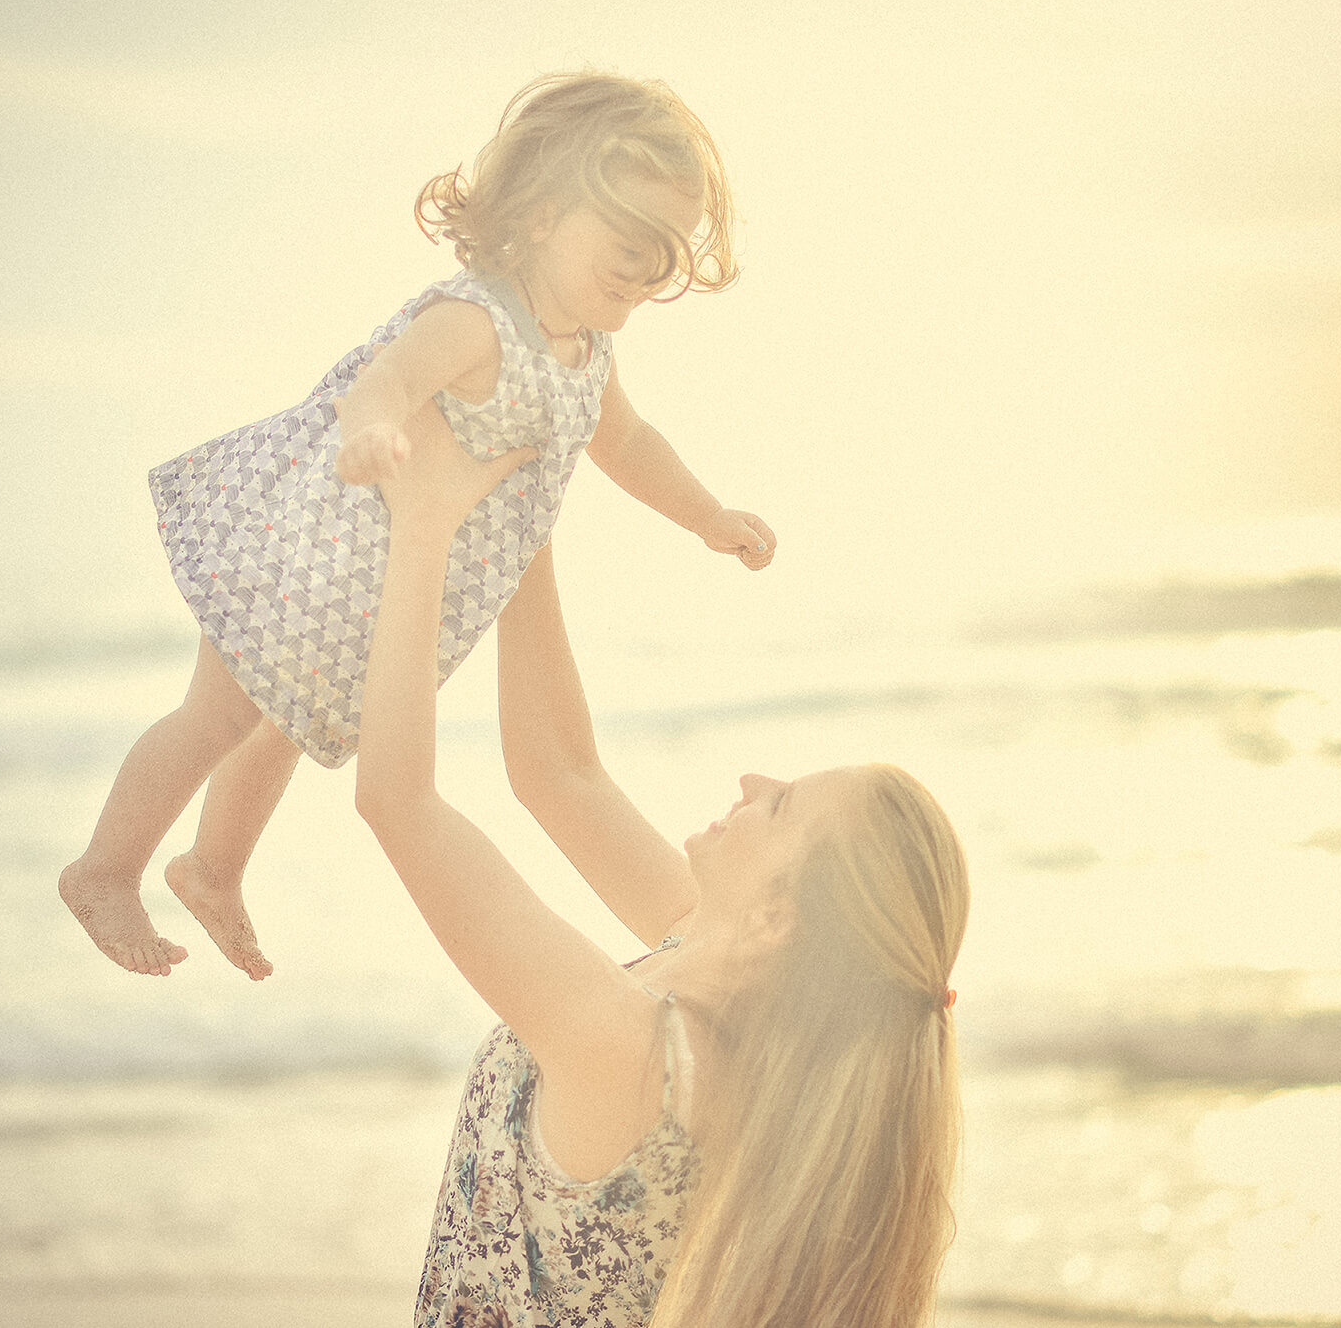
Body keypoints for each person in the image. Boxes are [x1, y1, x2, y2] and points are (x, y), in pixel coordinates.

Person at [58, 72, 776, 978]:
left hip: (373, 588)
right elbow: (388, 380)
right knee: (219, 713)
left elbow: (627, 442)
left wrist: (706, 515)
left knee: (279, 722)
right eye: (630, 236)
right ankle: (104, 869)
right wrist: (373, 430)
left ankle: (213, 869)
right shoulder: (479, 319)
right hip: (299, 543)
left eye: (665, 252)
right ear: (545, 212)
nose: (644, 266)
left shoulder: (588, 355)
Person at [358, 411, 970, 1327]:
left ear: (778, 919)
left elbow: (399, 803)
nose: (755, 780)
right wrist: (527, 500)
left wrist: (424, 526)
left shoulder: (633, 1050)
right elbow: (558, 774)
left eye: (783, 804)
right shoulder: (717, 989)